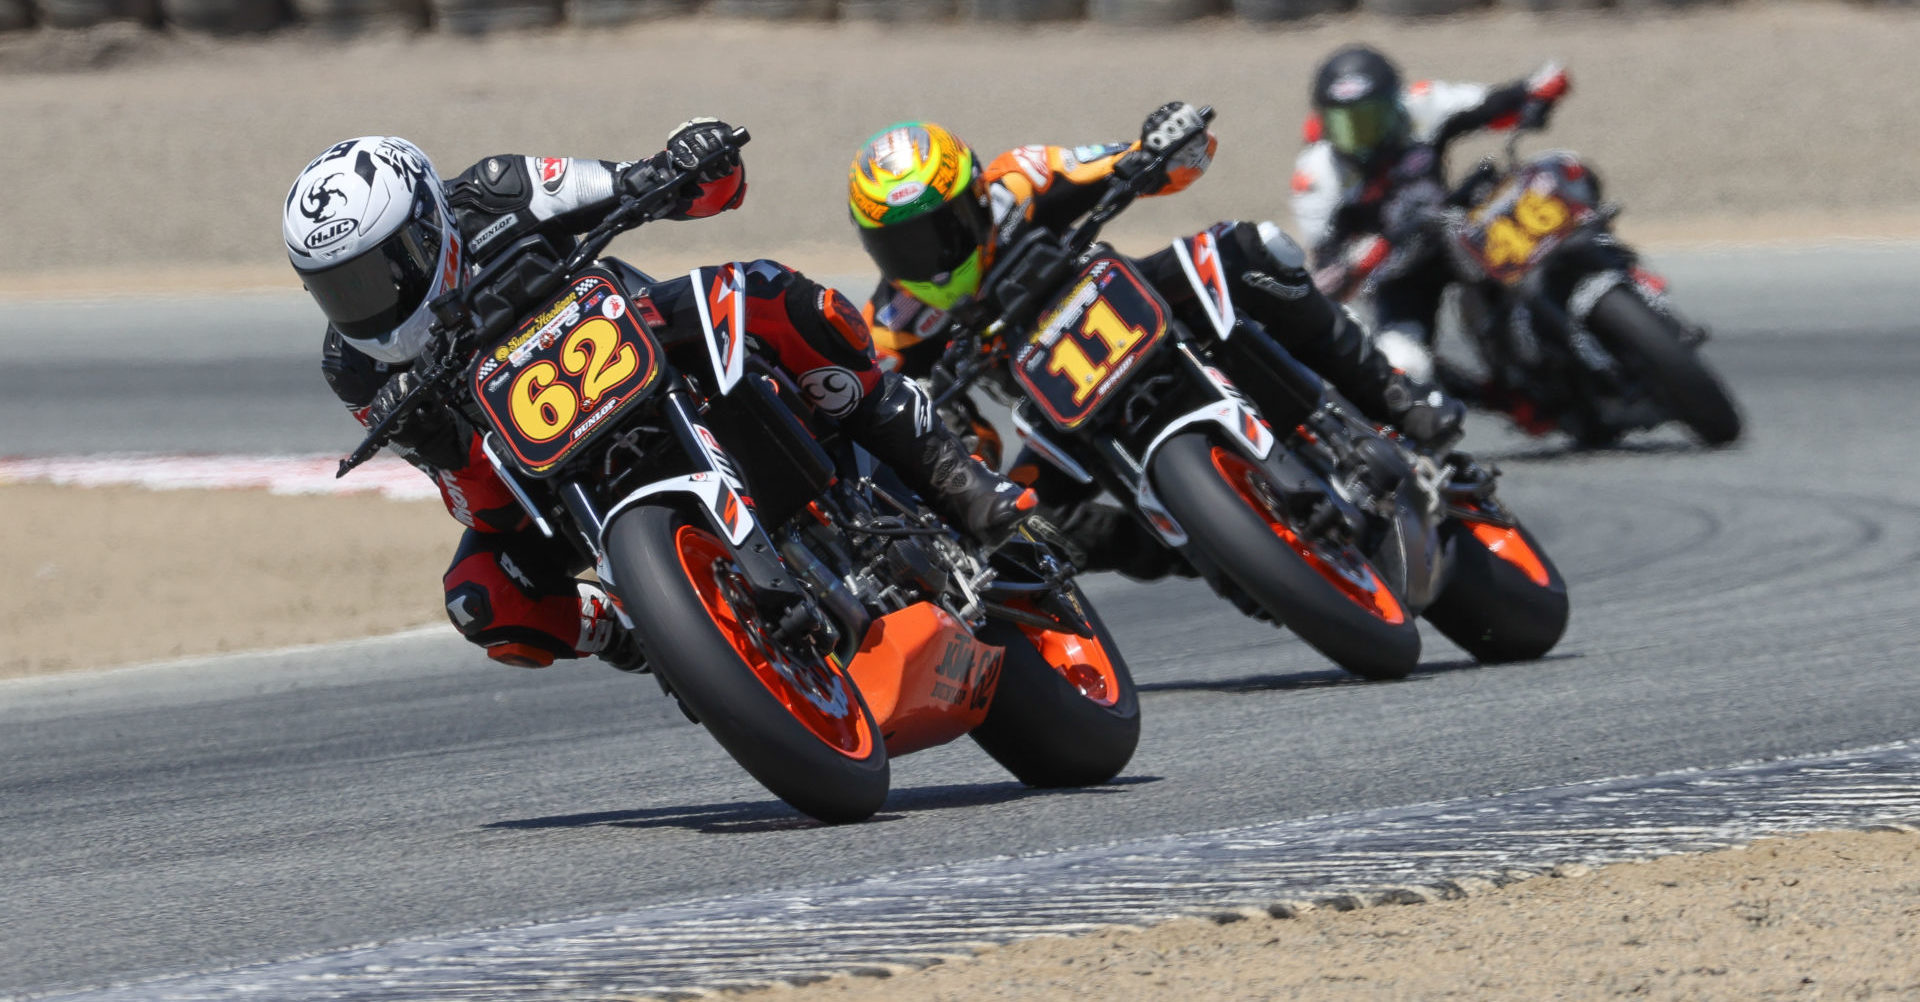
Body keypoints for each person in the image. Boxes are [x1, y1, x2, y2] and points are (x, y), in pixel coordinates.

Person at [282, 121, 1041, 670]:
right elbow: (481, 504)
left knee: (772, 295)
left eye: (375, 274)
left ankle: (948, 470)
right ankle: (636, 628)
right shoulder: (355, 369)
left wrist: (685, 166)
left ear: (427, 226)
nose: (362, 305)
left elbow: (638, 185)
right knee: (481, 599)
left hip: (649, 346)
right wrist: (440, 443)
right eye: (337, 290)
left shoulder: (496, 191)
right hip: (542, 462)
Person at [847, 106, 1465, 577]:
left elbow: (1142, 160)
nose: (923, 259)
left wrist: (1163, 142)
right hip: (1058, 415)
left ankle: (1391, 394)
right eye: (898, 245)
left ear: (976, 196)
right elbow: (908, 419)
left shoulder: (1024, 178)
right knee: (1026, 527)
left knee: (1249, 250)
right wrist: (952, 429)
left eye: (937, 231)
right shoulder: (895, 321)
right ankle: (1212, 553)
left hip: (1139, 306)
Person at [1293, 44, 1571, 382]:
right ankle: (1494, 397)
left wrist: (1537, 88)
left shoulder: (1422, 106)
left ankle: (1607, 280)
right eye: (1347, 123)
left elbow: (1493, 104)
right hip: (1400, 272)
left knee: (1558, 177)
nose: (1361, 135)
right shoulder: (1316, 175)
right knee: (1403, 366)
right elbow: (1324, 273)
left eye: (1372, 118)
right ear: (1321, 121)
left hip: (1461, 226)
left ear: (1395, 102)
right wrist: (1356, 261)